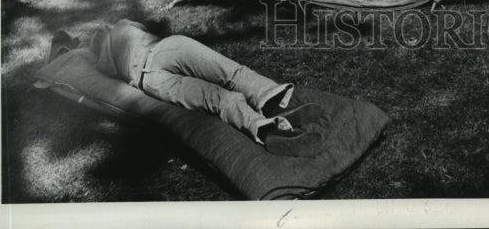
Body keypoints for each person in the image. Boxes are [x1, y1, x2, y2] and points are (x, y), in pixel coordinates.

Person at [90, 19, 323, 156]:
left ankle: (264, 127)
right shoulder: (122, 25)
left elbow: (108, 72)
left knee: (216, 99)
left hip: (150, 80)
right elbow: (144, 27)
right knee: (231, 73)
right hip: (166, 49)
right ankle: (271, 102)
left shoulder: (103, 62)